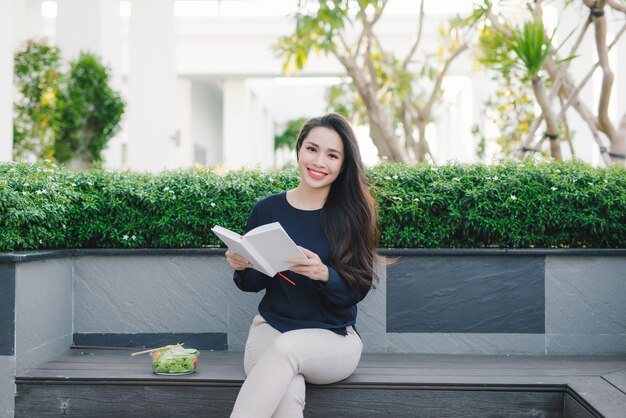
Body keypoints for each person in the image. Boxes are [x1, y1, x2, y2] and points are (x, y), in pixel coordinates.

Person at [225, 113, 382, 418]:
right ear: (298, 150)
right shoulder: (267, 209)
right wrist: (243, 265)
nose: (319, 161)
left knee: (287, 349)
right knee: (289, 391)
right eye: (312, 149)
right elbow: (254, 283)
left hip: (334, 338)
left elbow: (359, 288)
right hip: (270, 330)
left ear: (343, 164)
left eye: (332, 155)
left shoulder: (351, 216)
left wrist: (325, 274)